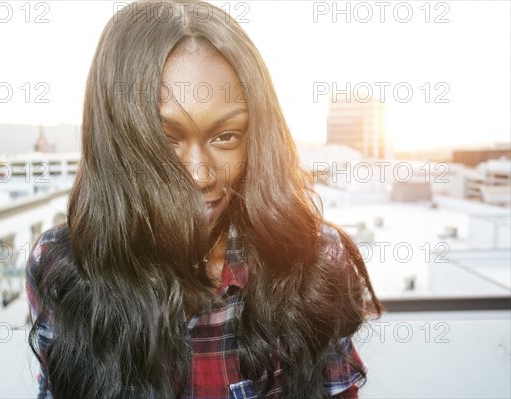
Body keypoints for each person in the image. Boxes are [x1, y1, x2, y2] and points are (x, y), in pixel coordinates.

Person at [26, 1, 382, 398]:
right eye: (165, 140)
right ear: (118, 143)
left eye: (226, 136)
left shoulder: (316, 263)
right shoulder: (63, 269)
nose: (200, 176)